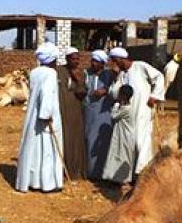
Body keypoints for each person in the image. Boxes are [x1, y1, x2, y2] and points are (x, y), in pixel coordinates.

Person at [105, 47, 165, 176]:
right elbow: (114, 93)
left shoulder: (140, 66)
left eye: (115, 61)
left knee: (141, 141)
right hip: (127, 115)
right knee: (128, 144)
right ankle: (129, 174)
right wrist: (115, 78)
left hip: (142, 111)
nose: (114, 64)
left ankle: (142, 173)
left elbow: (159, 77)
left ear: (122, 59)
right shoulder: (121, 74)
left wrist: (154, 95)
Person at [15, 42, 63, 193]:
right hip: (46, 117)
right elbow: (46, 95)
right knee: (47, 149)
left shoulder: (35, 72)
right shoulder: (50, 74)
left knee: (34, 149)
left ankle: (32, 181)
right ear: (52, 60)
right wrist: (47, 115)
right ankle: (47, 183)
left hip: (33, 117)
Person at [56, 46, 87, 179]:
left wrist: (78, 81)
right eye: (73, 58)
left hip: (75, 111)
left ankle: (75, 171)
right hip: (61, 110)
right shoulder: (58, 71)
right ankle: (61, 171)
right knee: (63, 138)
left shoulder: (81, 73)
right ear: (67, 59)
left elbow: (82, 94)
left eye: (77, 58)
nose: (76, 61)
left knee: (75, 140)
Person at [84, 49, 114, 180]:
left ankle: (101, 172)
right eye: (92, 60)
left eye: (96, 61)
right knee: (88, 139)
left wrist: (106, 90)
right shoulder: (86, 73)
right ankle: (90, 171)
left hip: (104, 112)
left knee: (102, 141)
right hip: (89, 111)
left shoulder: (109, 75)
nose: (92, 63)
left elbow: (117, 88)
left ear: (103, 63)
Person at [102, 85, 135, 185]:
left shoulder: (126, 109)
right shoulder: (126, 106)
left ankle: (121, 179)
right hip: (121, 134)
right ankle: (114, 178)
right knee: (117, 155)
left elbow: (113, 116)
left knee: (122, 156)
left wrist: (116, 104)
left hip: (125, 136)